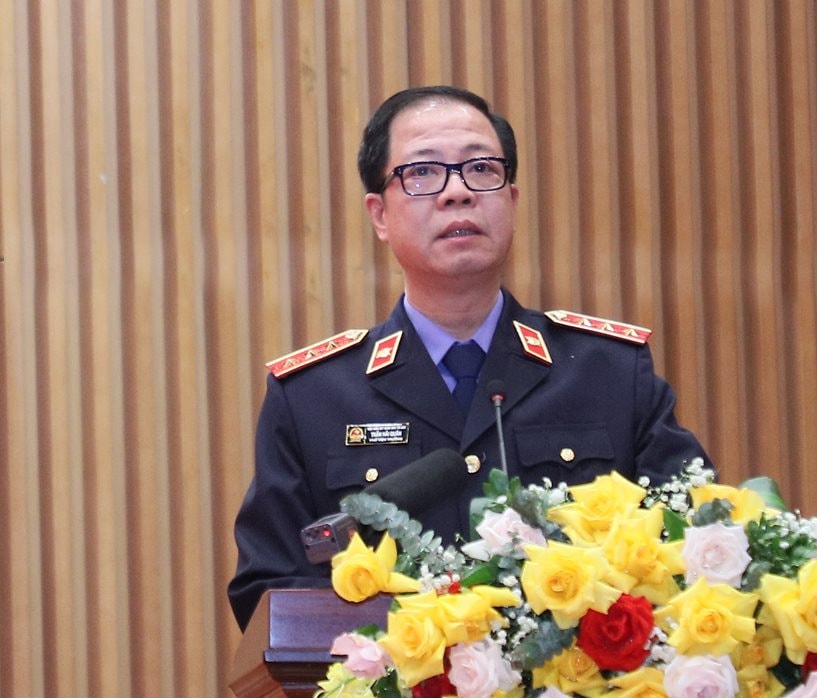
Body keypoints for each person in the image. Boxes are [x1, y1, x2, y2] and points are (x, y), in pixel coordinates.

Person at [228, 85, 712, 630]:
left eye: (481, 169)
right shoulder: (312, 398)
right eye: (422, 173)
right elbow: (269, 593)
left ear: (512, 200)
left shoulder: (610, 374)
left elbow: (696, 543)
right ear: (379, 215)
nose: (457, 192)